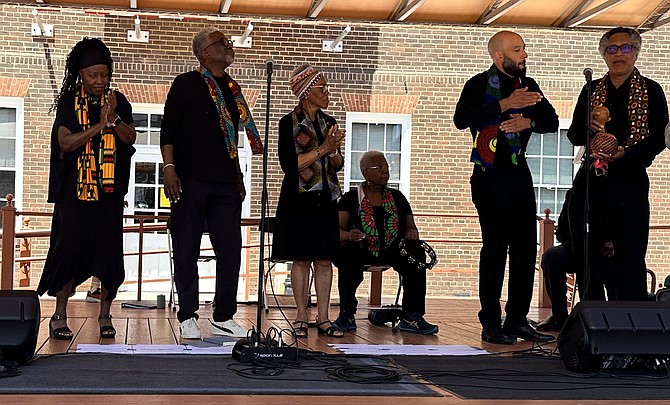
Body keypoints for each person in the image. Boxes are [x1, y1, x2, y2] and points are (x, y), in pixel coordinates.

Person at [453, 30, 557, 344]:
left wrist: (530, 122)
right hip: (489, 176)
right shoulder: (478, 84)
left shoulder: (529, 85)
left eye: (524, 48)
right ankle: (491, 322)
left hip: (518, 175)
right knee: (496, 249)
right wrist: (505, 104)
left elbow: (551, 120)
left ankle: (517, 320)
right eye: (517, 49)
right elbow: (462, 119)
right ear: (499, 56)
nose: (524, 54)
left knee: (526, 249)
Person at [160, 28, 264, 339]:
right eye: (222, 42)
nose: (229, 46)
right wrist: (169, 168)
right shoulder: (186, 83)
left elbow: (232, 136)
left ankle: (223, 315)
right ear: (205, 52)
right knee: (187, 246)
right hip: (190, 179)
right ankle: (188, 314)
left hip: (225, 182)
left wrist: (238, 176)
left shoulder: (232, 89)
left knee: (230, 248)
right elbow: (168, 130)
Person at [38, 37, 136, 340]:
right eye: (93, 75)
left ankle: (105, 315)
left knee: (109, 254)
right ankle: (59, 314)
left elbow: (130, 138)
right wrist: (99, 126)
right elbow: (65, 142)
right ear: (80, 74)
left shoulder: (117, 101)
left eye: (104, 75)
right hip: (74, 196)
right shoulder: (69, 102)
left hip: (108, 194)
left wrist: (113, 117)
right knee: (68, 251)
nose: (99, 81)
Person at [567, 27, 668, 301]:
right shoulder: (591, 90)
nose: (618, 54)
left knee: (630, 255)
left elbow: (660, 139)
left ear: (636, 53)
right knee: (588, 254)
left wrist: (627, 153)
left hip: (630, 182)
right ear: (604, 56)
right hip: (594, 182)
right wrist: (588, 130)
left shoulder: (652, 90)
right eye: (612, 49)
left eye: (625, 48)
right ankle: (591, 316)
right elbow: (573, 134)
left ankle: (631, 323)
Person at [272, 64, 345, 338]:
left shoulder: (329, 121)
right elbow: (290, 165)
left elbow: (336, 164)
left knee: (324, 259)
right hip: (298, 199)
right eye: (321, 88)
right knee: (301, 259)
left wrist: (334, 150)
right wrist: (323, 148)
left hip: (325, 198)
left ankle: (324, 318)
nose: (327, 93)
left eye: (326, 87)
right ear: (305, 92)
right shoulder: (287, 123)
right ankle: (302, 315)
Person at [333, 151, 438, 335]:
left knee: (417, 252)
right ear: (366, 173)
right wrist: (349, 235)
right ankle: (347, 314)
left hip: (393, 248)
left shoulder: (397, 197)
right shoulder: (350, 198)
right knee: (347, 252)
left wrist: (412, 232)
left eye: (386, 167)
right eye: (379, 167)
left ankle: (412, 317)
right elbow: (337, 231)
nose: (385, 171)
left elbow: (410, 227)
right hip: (361, 247)